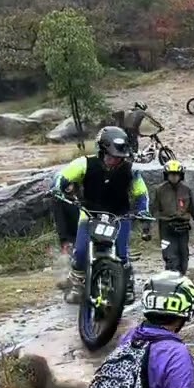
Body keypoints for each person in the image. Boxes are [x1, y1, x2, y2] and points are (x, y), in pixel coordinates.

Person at [56, 126, 152, 306]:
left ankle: (127, 285)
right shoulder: (84, 163)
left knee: (122, 253)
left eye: (119, 158)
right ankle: (77, 282)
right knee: (82, 251)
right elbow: (62, 177)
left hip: (119, 216)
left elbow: (142, 193)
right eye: (110, 157)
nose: (114, 161)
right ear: (101, 152)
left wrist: (143, 213)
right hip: (90, 214)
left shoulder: (131, 170)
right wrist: (59, 188)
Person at [150, 160, 194, 275]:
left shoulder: (186, 190)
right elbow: (153, 210)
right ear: (167, 175)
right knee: (170, 259)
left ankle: (181, 280)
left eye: (176, 174)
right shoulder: (160, 190)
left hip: (183, 228)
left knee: (183, 259)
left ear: (181, 176)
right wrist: (146, 228)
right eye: (171, 174)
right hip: (166, 228)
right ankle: (170, 281)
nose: (174, 177)